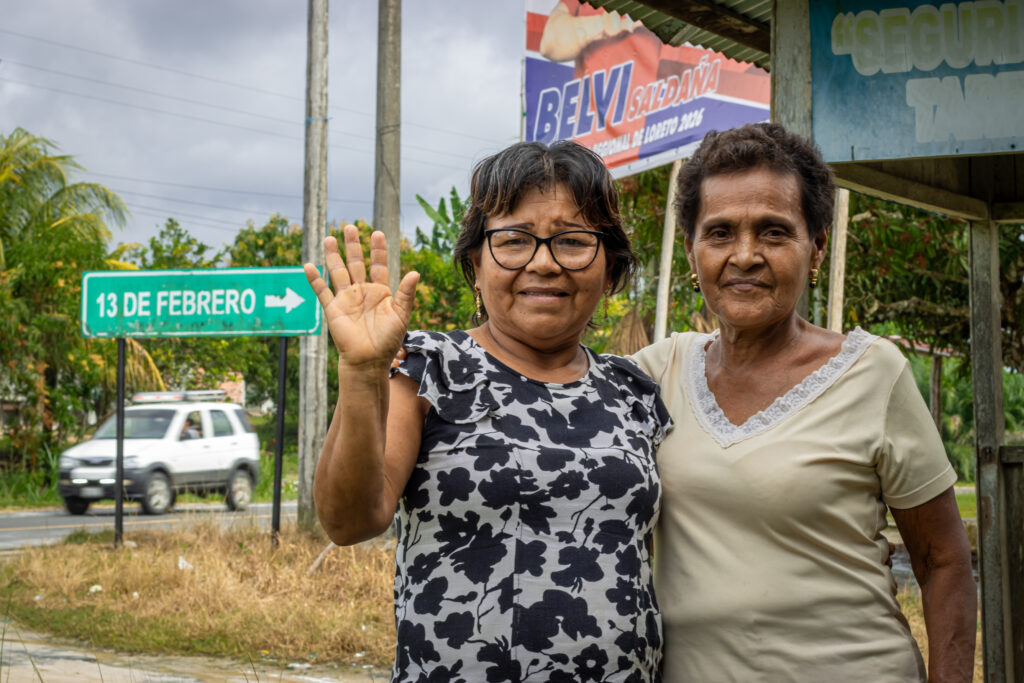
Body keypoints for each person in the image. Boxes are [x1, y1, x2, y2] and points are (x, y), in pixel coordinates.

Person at [304, 140, 672, 681]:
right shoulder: (429, 369)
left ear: (610, 268)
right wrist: (361, 372)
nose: (543, 263)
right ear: (475, 265)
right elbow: (349, 521)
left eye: (572, 242)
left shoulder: (635, 391)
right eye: (514, 241)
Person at [631, 122, 977, 682]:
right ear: (691, 251)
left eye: (773, 232)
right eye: (719, 233)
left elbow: (943, 562)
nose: (744, 255)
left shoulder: (872, 373)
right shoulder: (654, 374)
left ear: (816, 247)